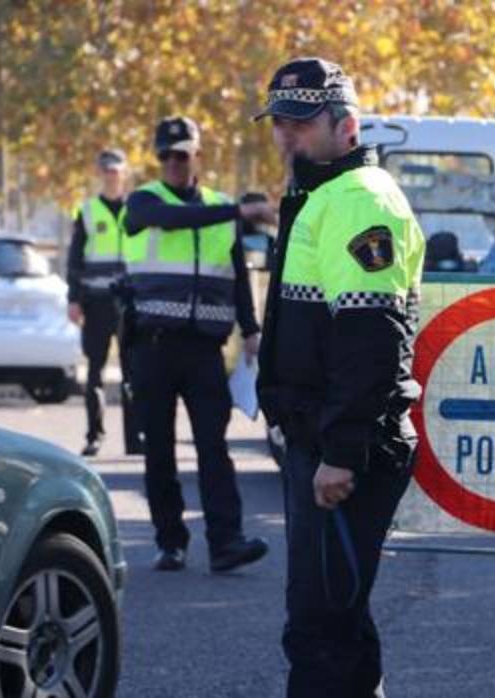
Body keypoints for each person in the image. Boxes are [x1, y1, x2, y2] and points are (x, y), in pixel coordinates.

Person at [254, 57, 425, 697]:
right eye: (278, 122)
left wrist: (342, 452)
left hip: (344, 446)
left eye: (300, 122)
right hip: (321, 436)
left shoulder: (359, 200)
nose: (286, 135)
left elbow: (370, 339)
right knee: (339, 623)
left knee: (319, 630)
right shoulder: (320, 194)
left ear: (345, 124)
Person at [120, 115, 277, 573]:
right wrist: (240, 212)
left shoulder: (219, 206)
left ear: (197, 157)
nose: (173, 163)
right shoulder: (144, 201)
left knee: (214, 448)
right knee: (160, 451)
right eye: (166, 155)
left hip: (204, 349)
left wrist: (250, 329)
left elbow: (239, 277)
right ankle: (171, 542)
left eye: (182, 154)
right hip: (151, 347)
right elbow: (169, 220)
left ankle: (226, 542)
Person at [66, 148, 142, 457]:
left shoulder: (139, 209)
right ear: (100, 173)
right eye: (107, 170)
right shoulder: (86, 211)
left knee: (132, 372)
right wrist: (74, 299)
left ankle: (134, 439)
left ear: (124, 173)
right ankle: (94, 436)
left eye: (116, 170)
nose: (111, 175)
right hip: (96, 302)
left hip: (130, 303)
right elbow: (74, 259)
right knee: (95, 372)